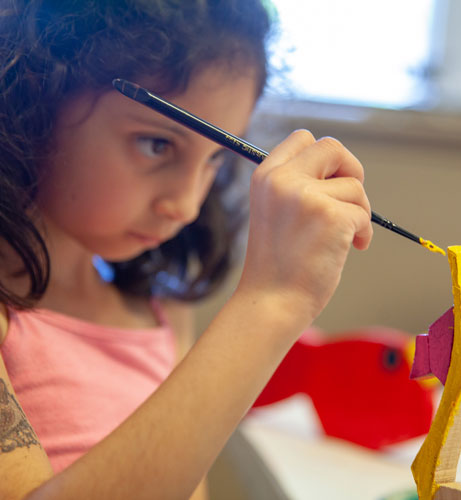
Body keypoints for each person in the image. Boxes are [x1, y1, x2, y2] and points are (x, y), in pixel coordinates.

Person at [0, 1, 372, 499]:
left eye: (216, 159)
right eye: (156, 144)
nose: (187, 204)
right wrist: (274, 301)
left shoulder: (159, 311)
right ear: (37, 94)